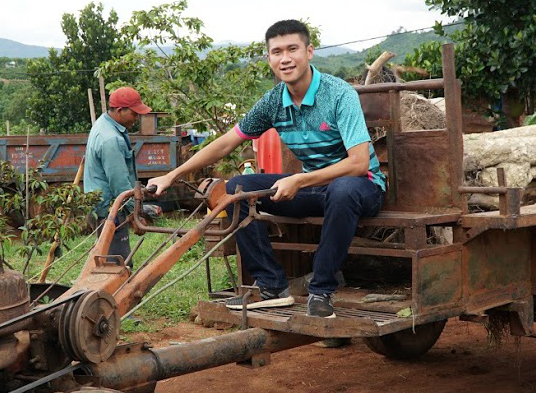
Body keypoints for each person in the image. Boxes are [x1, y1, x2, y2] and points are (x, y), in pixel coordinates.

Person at [148, 19, 385, 318]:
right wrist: (172, 175)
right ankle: (272, 286)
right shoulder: (273, 102)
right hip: (315, 189)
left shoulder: (339, 94)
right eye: (277, 52)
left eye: (292, 49)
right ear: (269, 58)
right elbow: (225, 143)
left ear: (309, 51)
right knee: (238, 188)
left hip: (362, 188)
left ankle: (321, 291)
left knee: (343, 189)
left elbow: (358, 163)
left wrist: (298, 179)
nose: (285, 58)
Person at [84, 86, 151, 262]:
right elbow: (119, 182)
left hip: (101, 205)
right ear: (120, 111)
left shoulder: (103, 123)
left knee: (105, 258)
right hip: (110, 209)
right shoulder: (110, 139)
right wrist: (132, 213)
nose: (136, 119)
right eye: (134, 114)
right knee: (118, 263)